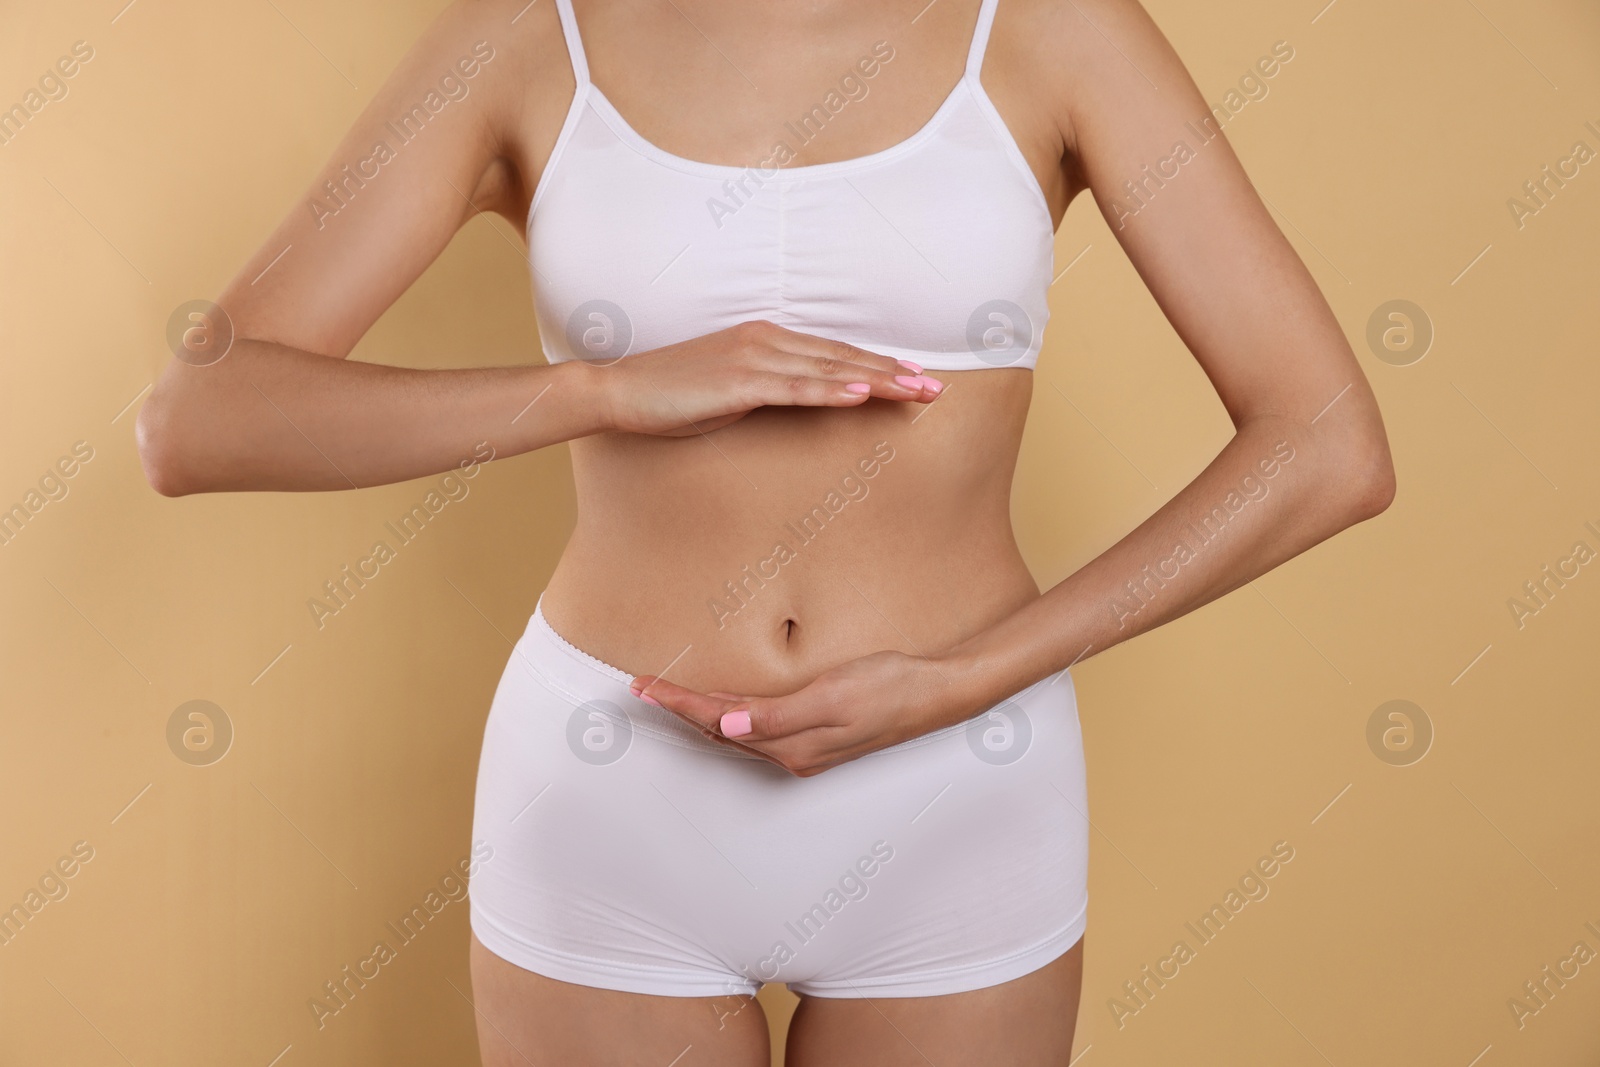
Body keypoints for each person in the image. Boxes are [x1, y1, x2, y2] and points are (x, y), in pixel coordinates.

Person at [136, 0, 1395, 1062]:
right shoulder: (531, 36)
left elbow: (1324, 442)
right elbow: (202, 416)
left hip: (959, 789)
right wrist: (604, 388)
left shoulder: (1054, 28)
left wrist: (966, 675)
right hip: (609, 788)